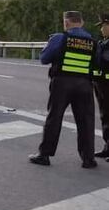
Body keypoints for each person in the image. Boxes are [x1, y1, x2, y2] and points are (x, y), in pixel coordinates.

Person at [29, 11, 97, 168]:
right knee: (86, 121)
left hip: (62, 83)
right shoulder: (93, 42)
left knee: (54, 118)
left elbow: (44, 59)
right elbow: (97, 62)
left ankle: (44, 155)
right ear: (82, 22)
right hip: (85, 84)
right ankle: (88, 159)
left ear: (66, 23)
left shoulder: (60, 38)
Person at [94, 13, 109, 160]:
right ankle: (107, 147)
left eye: (103, 26)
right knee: (105, 116)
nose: (102, 30)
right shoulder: (103, 42)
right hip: (101, 83)